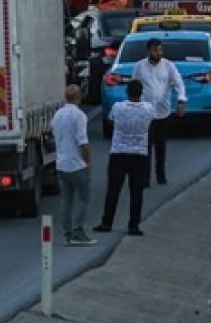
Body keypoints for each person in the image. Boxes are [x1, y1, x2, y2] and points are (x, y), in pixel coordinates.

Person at [95, 80, 155, 236]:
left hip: (119, 152)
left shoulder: (118, 107)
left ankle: (107, 222)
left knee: (113, 190)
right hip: (139, 154)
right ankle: (133, 225)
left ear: (127, 92)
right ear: (141, 93)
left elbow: (111, 120)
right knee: (136, 192)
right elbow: (151, 122)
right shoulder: (148, 108)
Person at [131, 38, 187, 185]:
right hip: (145, 112)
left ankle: (161, 175)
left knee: (161, 145)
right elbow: (134, 85)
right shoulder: (139, 66)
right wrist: (134, 104)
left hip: (163, 112)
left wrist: (181, 100)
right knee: (146, 146)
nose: (159, 53)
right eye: (155, 50)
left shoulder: (168, 66)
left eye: (160, 50)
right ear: (149, 51)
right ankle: (145, 177)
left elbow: (179, 83)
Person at [51, 85, 95, 246]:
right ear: (78, 97)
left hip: (61, 164)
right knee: (84, 198)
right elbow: (82, 141)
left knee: (66, 200)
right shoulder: (79, 115)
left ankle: (67, 232)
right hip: (77, 164)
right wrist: (87, 161)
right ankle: (78, 231)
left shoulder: (57, 115)